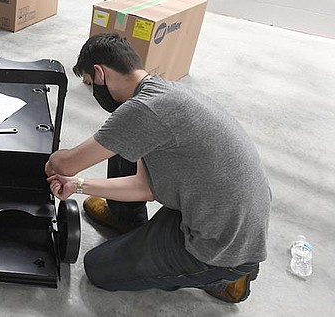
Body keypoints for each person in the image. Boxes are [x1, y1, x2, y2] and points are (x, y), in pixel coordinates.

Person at [45, 33, 271, 303]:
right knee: (120, 146)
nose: (93, 91)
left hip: (220, 244)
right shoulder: (163, 90)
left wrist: (52, 159)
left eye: (90, 83)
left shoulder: (145, 110)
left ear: (100, 72)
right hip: (217, 213)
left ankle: (225, 276)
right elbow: (145, 187)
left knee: (98, 268)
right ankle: (125, 218)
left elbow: (65, 163)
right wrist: (78, 185)